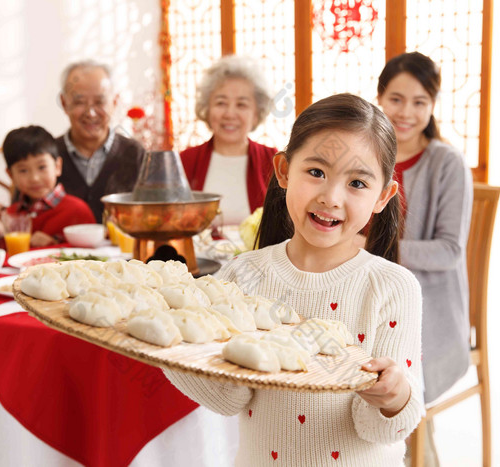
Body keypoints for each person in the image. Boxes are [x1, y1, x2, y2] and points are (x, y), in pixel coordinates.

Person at [165, 93, 423, 466]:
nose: (331, 197)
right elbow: (229, 397)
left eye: (357, 183)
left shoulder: (392, 287)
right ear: (284, 171)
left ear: (383, 196)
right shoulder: (242, 276)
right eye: (316, 172)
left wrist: (394, 396)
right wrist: (168, 348)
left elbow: (381, 429)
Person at [376, 51, 473, 465]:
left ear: (432, 106)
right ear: (379, 98)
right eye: (396, 99)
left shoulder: (446, 163)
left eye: (420, 102)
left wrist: (374, 252)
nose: (406, 112)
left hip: (430, 316)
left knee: (391, 384)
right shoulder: (369, 154)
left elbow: (450, 250)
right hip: (374, 300)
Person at [180, 55, 276, 225]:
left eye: (241, 105)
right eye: (221, 103)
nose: (230, 114)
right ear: (207, 109)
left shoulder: (274, 161)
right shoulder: (184, 161)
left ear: (256, 114)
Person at [0, 125, 96, 249]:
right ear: (10, 175)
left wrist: (53, 245)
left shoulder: (77, 210)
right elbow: (1, 259)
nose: (34, 178)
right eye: (23, 170)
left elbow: (91, 255)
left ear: (57, 166)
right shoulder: (10, 214)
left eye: (42, 167)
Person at [56, 60, 145, 222]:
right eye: (79, 102)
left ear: (114, 102)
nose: (90, 113)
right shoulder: (47, 154)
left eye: (99, 102)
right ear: (64, 103)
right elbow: (22, 214)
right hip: (61, 247)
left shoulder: (135, 154)